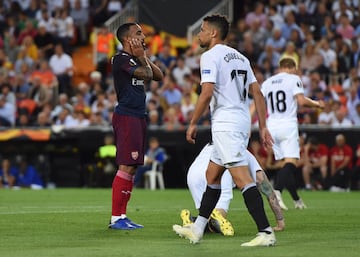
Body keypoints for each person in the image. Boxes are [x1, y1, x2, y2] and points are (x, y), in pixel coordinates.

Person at [173, 14, 276, 247]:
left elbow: (207, 92)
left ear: (213, 33)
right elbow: (257, 94)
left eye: (201, 30)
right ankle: (198, 228)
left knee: (242, 178)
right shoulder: (241, 58)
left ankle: (266, 232)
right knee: (212, 175)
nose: (198, 34)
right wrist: (262, 126)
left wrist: (192, 123)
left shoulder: (210, 56)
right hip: (239, 121)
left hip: (226, 124)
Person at [108, 22, 163, 230]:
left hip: (138, 115)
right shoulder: (120, 59)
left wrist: (142, 55)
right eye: (138, 33)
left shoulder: (136, 58)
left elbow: (159, 76)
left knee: (132, 167)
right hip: (127, 116)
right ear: (126, 39)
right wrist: (140, 56)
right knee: (126, 165)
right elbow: (147, 75)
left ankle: (123, 215)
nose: (143, 35)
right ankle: (115, 217)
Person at [179, 142, 285, 236]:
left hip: (194, 174)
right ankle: (213, 218)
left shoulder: (212, 144)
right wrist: (280, 221)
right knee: (218, 217)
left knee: (206, 215)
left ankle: (193, 222)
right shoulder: (242, 150)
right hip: (221, 172)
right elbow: (263, 183)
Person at [260, 57, 325, 211]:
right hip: (287, 125)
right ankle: (276, 191)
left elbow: (257, 103)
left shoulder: (268, 82)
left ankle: (296, 199)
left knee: (285, 165)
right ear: (292, 67)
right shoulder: (294, 79)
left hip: (271, 126)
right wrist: (317, 104)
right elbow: (301, 101)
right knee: (291, 163)